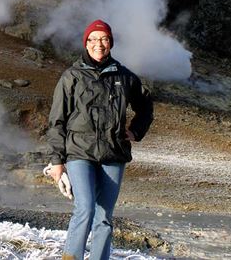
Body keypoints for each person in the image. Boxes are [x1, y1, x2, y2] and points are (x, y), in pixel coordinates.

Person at [46, 19, 153, 260]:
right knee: (85, 207)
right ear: (86, 43)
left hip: (113, 153)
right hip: (79, 153)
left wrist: (135, 131)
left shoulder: (125, 77)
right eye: (93, 39)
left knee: (104, 216)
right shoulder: (71, 76)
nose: (99, 44)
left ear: (111, 43)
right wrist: (56, 160)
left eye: (104, 39)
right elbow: (56, 120)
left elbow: (145, 106)